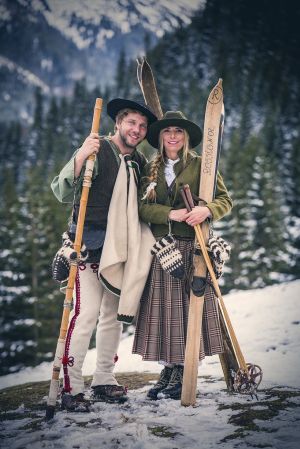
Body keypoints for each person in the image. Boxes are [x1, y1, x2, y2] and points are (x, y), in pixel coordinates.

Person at [51, 99, 157, 411]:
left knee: (112, 317)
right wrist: (81, 156)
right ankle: (71, 386)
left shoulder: (138, 162)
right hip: (88, 246)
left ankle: (104, 380)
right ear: (119, 123)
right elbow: (60, 189)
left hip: (121, 248)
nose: (136, 130)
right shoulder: (98, 149)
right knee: (85, 314)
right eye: (131, 123)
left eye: (142, 126)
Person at [132, 111, 233, 400]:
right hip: (162, 249)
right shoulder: (151, 168)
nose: (173, 136)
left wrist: (207, 210)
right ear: (160, 137)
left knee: (188, 311)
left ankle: (183, 369)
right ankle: (169, 369)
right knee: (165, 313)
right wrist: (170, 213)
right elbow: (141, 208)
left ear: (186, 136)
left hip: (193, 248)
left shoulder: (203, 165)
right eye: (167, 131)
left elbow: (226, 200)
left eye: (178, 131)